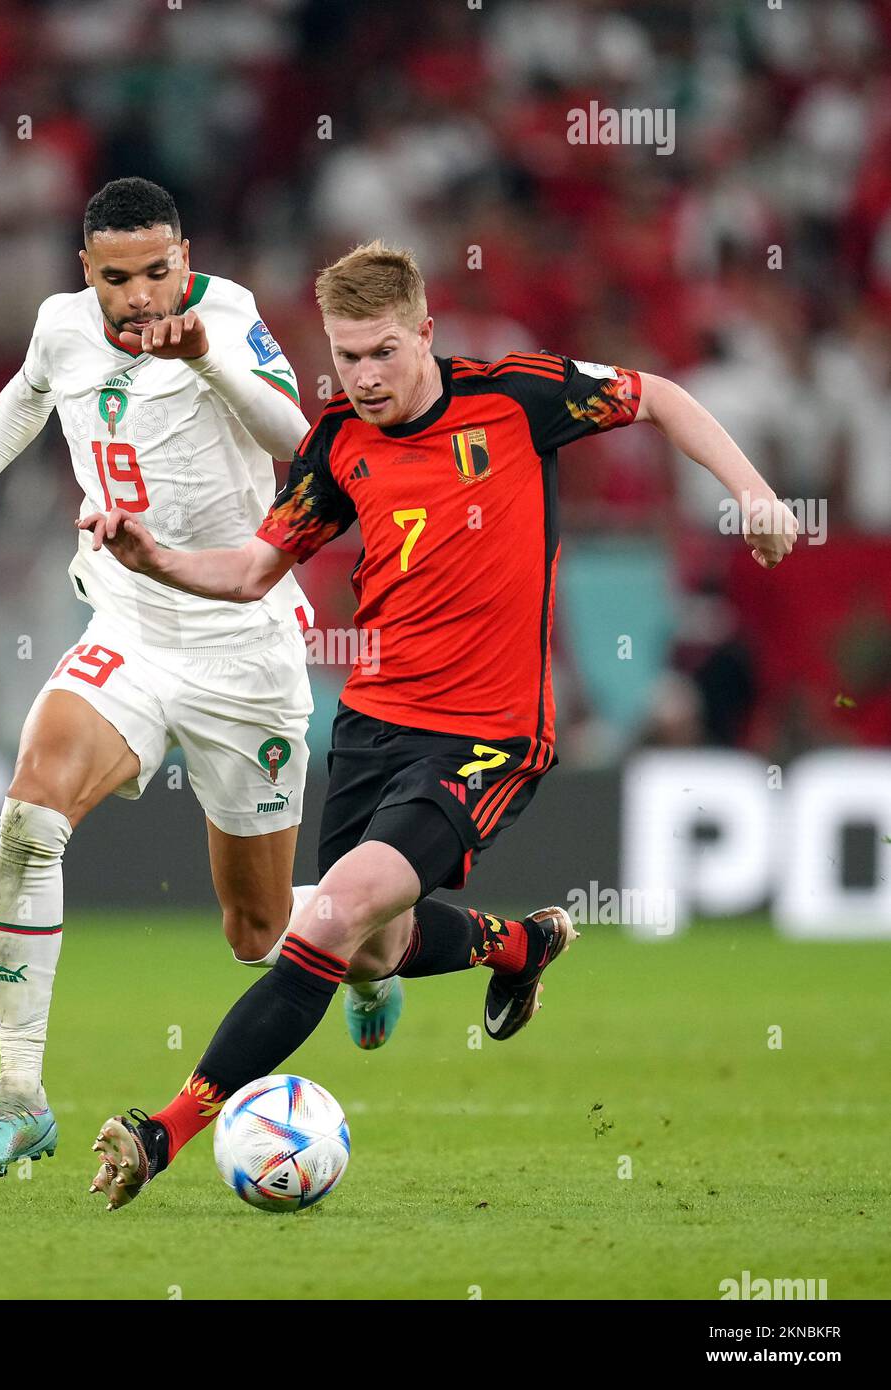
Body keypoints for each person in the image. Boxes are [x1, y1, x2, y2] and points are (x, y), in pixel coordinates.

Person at [79, 238, 797, 1209]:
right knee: (371, 946)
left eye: (381, 352)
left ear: (423, 333)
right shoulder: (336, 442)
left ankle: (160, 1130)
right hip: (374, 727)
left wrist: (749, 493)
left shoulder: (513, 396)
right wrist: (149, 554)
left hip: (487, 731)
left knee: (326, 918)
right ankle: (517, 946)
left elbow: (658, 394)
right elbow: (250, 570)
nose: (363, 377)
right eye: (345, 357)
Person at [0, 177, 319, 1179]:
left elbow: (304, 447)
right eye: (116, 276)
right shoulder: (61, 326)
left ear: (185, 256)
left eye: (156, 271)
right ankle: (18, 1097)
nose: (138, 296)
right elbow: (26, 393)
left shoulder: (230, 317)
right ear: (86, 271)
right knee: (29, 817)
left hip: (242, 642)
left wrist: (208, 360)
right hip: (127, 625)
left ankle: (365, 933)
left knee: (258, 935)